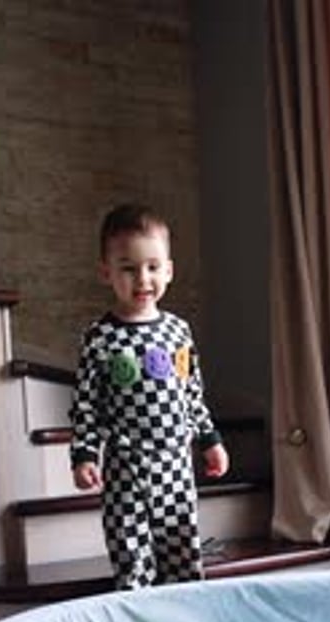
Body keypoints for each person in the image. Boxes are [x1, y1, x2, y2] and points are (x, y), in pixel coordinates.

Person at [69, 202, 229, 590]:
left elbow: (192, 393)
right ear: (106, 272)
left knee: (182, 552)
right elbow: (86, 405)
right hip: (127, 467)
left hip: (175, 465)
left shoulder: (178, 331)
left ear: (169, 270)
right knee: (131, 556)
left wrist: (210, 440)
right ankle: (135, 615)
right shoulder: (100, 337)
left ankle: (180, 614)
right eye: (128, 268)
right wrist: (84, 454)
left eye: (153, 267)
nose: (143, 279)